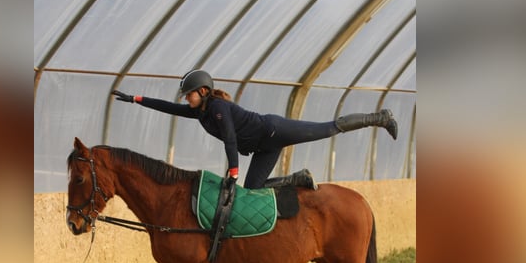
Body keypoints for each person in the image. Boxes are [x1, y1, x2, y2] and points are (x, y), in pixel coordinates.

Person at [111, 69, 397, 190]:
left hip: (274, 131)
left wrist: (233, 170)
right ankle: (297, 179)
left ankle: (380, 117)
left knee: (329, 128)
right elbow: (168, 108)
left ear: (203, 90)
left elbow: (230, 138)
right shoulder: (199, 111)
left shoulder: (217, 108)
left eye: (189, 94)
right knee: (253, 188)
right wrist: (136, 99)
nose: (186, 99)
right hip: (264, 147)